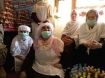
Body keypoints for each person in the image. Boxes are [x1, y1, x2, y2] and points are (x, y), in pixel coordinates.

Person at [60, 10, 81, 78]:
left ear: (77, 15)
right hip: (67, 39)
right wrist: (64, 37)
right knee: (62, 44)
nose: (73, 15)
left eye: (75, 14)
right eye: (72, 14)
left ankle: (67, 66)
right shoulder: (68, 23)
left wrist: (72, 40)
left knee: (69, 46)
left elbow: (79, 35)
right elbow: (64, 31)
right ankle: (63, 65)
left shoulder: (80, 24)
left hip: (74, 41)